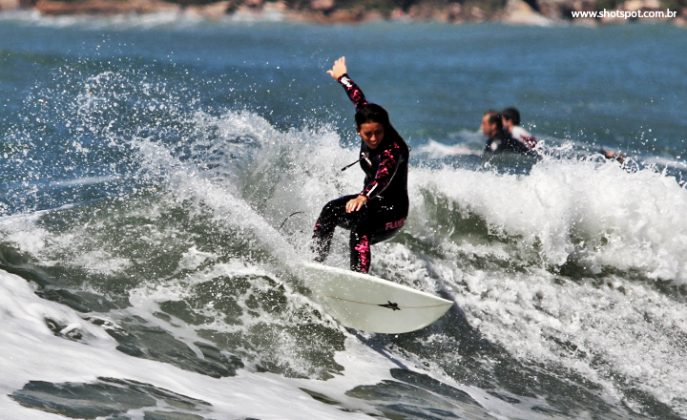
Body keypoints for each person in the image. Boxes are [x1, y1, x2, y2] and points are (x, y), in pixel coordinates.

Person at [311, 56, 409, 273]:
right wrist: (342, 77)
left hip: (394, 212)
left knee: (360, 229)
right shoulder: (365, 118)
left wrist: (364, 196)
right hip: (372, 204)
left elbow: (383, 175)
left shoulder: (394, 149)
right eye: (368, 134)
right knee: (330, 210)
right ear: (358, 130)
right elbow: (359, 100)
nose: (374, 138)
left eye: (379, 132)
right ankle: (316, 261)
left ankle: (359, 278)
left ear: (385, 127)